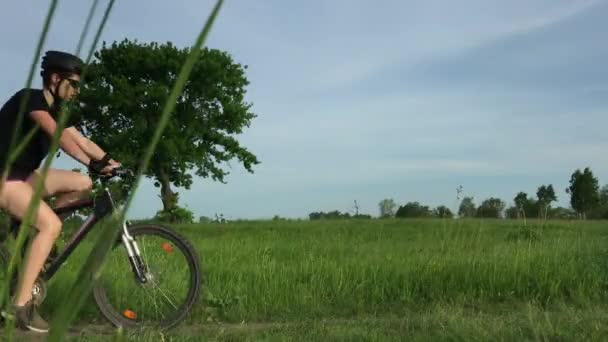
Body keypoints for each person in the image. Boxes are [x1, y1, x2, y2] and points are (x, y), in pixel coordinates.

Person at [0, 50, 120, 333]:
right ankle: (18, 308)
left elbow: (81, 140)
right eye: (74, 83)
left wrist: (113, 163)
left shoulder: (57, 111)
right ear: (55, 79)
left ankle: (39, 244)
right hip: (5, 181)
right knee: (51, 225)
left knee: (82, 184)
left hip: (25, 178)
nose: (77, 90)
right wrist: (93, 163)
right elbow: (59, 136)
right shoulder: (31, 99)